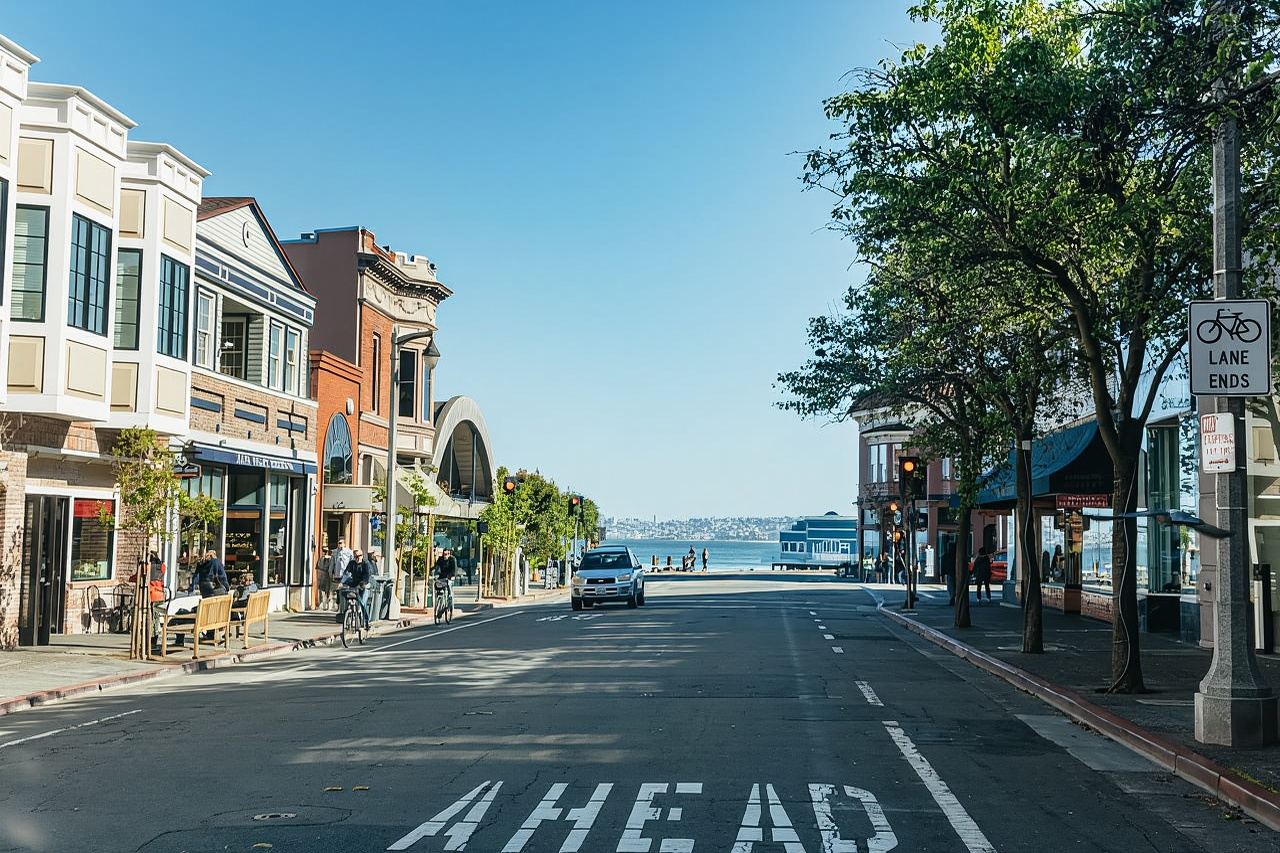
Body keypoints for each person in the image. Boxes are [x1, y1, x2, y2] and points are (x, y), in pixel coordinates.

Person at [340, 548, 373, 626]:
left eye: (360, 556)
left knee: (362, 603)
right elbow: (346, 573)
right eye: (356, 556)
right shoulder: (352, 563)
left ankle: (366, 621)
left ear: (362, 556)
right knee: (347, 595)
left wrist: (362, 584)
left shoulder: (366, 564)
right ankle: (349, 615)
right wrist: (342, 582)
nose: (358, 558)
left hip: (364, 585)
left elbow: (367, 575)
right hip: (355, 584)